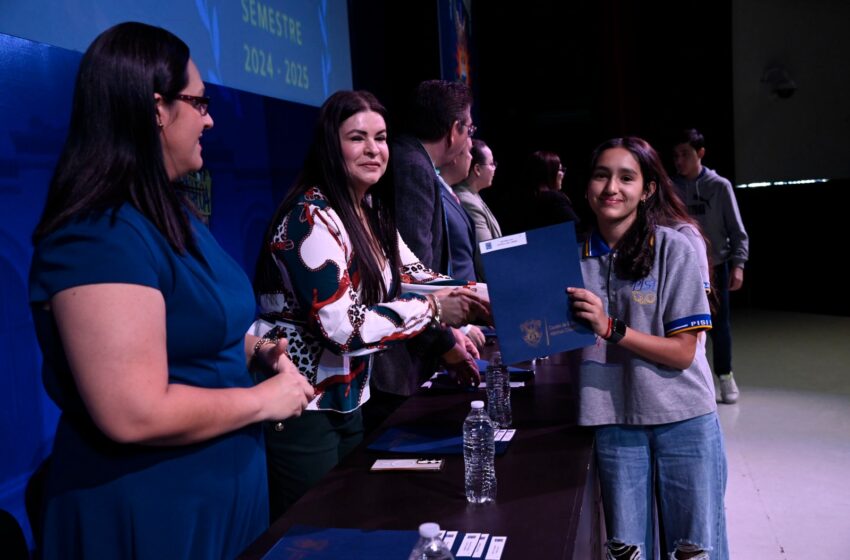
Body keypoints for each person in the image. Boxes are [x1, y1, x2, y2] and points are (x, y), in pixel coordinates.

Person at [28, 22, 314, 559]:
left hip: (221, 500)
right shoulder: (98, 232)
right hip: (154, 513)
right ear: (156, 108)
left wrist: (259, 352)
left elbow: (191, 320)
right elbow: (132, 411)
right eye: (199, 103)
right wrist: (261, 400)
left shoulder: (167, 211)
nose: (209, 118)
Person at [253, 90, 489, 518]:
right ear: (330, 144)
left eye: (380, 138)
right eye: (357, 138)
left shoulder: (371, 210)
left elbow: (417, 277)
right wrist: (436, 312)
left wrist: (490, 294)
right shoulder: (309, 217)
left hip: (351, 399)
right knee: (316, 533)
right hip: (304, 408)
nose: (374, 150)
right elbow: (344, 329)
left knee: (352, 521)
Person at [567, 137, 728, 559]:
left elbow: (683, 353)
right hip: (613, 420)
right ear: (587, 187)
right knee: (627, 551)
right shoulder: (566, 256)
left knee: (694, 550)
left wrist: (610, 328)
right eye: (601, 176)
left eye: (626, 177)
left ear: (648, 189)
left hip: (683, 418)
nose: (611, 188)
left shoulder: (674, 248)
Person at [672, 128, 749, 404]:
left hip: (716, 266)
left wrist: (738, 264)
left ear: (700, 154)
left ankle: (725, 376)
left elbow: (737, 230)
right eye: (676, 155)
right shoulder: (671, 188)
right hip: (681, 269)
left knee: (719, 325)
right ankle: (693, 380)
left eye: (686, 154)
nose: (679, 160)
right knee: (684, 326)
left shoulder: (719, 186)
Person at [393, 79, 475, 273]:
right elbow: (417, 268)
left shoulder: (414, 159)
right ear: (455, 130)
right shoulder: (414, 168)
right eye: (469, 130)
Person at [452, 139, 503, 281]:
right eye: (492, 164)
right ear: (478, 169)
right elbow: (486, 257)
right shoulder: (467, 200)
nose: (494, 168)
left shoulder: (473, 195)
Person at [510, 150, 579, 234]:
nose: (563, 174)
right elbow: (577, 229)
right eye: (560, 169)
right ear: (549, 173)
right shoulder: (555, 199)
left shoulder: (518, 201)